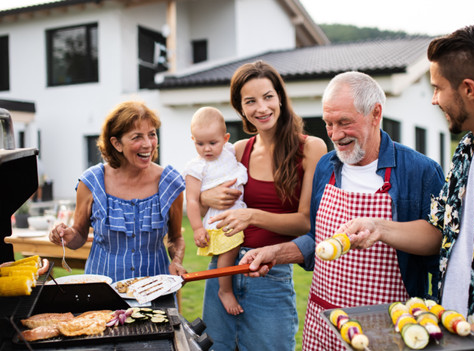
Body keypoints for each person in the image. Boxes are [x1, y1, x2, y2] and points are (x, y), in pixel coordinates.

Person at [339, 25, 474, 350]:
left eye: (438, 88)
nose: (433, 99)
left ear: (469, 89)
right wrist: (378, 227)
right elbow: (439, 232)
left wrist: (451, 341)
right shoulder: (467, 149)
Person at [239, 71, 445, 350]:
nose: (335, 135)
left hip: (389, 325)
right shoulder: (326, 166)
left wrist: (381, 228)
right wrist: (276, 253)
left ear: (375, 113)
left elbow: (438, 244)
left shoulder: (420, 171)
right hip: (327, 321)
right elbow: (317, 238)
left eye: (344, 122)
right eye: (328, 124)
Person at [198, 60, 327, 351]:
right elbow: (199, 193)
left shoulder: (310, 147)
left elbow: (305, 222)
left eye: (268, 96)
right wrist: (207, 198)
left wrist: (252, 215)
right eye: (250, 101)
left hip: (270, 272)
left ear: (280, 97)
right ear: (240, 108)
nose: (262, 108)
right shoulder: (237, 150)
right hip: (223, 268)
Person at [49, 101, 187, 283]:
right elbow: (79, 236)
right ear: (116, 143)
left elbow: (175, 238)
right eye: (137, 137)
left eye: (152, 134)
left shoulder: (170, 183)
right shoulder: (91, 182)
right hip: (102, 291)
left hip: (155, 289)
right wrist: (67, 236)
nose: (148, 144)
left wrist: (176, 260)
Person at [184, 106, 248, 316]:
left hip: (239, 211)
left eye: (213, 143)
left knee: (234, 250)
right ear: (193, 140)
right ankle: (225, 290)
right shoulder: (196, 167)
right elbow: (192, 200)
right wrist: (196, 229)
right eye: (200, 143)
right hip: (219, 219)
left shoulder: (230, 151)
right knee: (228, 251)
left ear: (225, 138)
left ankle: (227, 287)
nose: (207, 149)